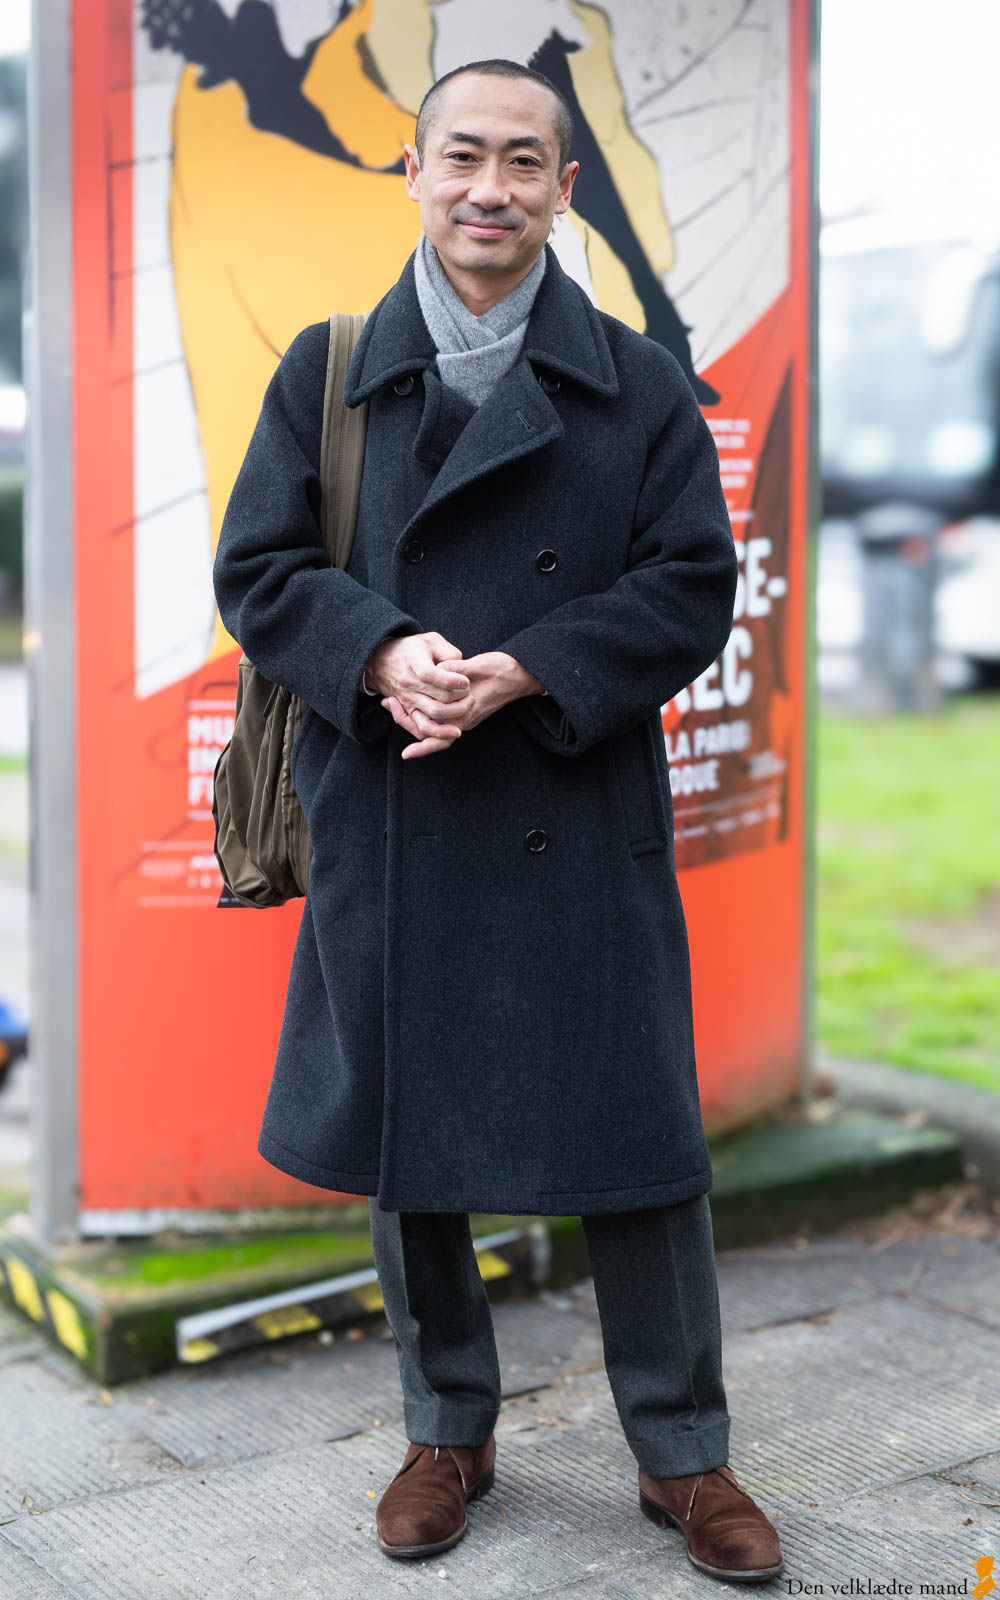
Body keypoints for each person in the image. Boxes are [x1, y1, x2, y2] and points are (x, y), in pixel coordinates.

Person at [212, 57, 784, 1583]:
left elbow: (691, 585)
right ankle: (444, 1430)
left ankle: (684, 1452)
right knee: (418, 1139)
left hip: (571, 801)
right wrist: (383, 649)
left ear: (563, 188)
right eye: (462, 155)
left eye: (523, 161)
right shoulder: (330, 368)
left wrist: (529, 667)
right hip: (395, 800)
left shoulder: (637, 380)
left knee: (638, 1137)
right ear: (412, 171)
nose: (490, 187)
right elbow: (260, 569)